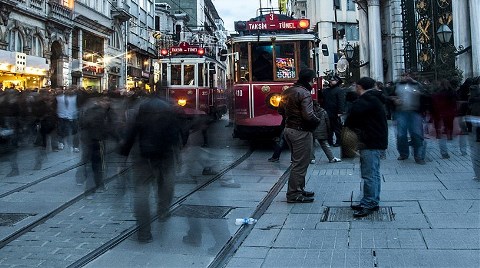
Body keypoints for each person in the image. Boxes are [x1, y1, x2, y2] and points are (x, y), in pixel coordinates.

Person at [119, 93, 182, 243]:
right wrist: (178, 155)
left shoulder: (140, 110)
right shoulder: (169, 110)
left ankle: (144, 232)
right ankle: (163, 211)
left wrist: (123, 157)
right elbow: (177, 134)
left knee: (141, 192)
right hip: (165, 156)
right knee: (166, 185)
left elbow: (131, 134)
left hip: (143, 157)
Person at [345, 77, 388, 217]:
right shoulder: (374, 98)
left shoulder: (366, 101)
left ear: (359, 86)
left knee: (369, 173)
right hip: (375, 140)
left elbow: (351, 119)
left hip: (370, 141)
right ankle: (372, 200)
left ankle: (369, 202)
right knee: (373, 173)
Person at [278, 68, 320, 203]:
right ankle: (294, 193)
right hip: (300, 131)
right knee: (300, 163)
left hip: (288, 129)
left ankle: (299, 189)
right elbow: (308, 115)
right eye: (313, 80)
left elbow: (280, 110)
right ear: (311, 80)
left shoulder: (288, 91)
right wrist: (317, 121)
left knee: (298, 162)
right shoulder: (305, 93)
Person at [391, 73, 429, 164]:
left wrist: (418, 87)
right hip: (401, 112)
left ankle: (418, 156)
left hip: (415, 112)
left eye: (407, 75)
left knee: (417, 134)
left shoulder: (417, 85)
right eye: (403, 75)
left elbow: (427, 94)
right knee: (401, 135)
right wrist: (394, 100)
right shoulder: (396, 85)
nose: (405, 77)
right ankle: (403, 153)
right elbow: (389, 96)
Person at [320, 75, 345, 147]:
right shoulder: (326, 90)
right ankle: (329, 141)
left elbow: (341, 101)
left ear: (337, 81)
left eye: (333, 80)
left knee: (337, 128)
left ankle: (338, 141)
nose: (331, 81)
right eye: (331, 80)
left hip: (335, 112)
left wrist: (340, 111)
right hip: (327, 111)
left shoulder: (339, 90)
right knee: (328, 128)